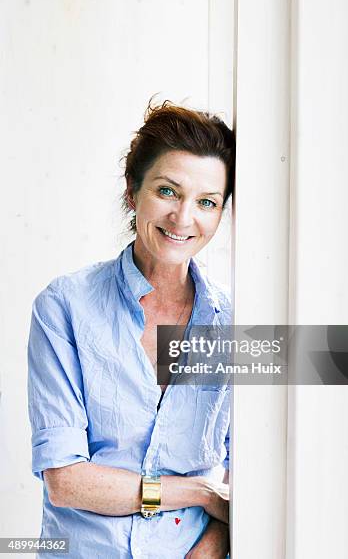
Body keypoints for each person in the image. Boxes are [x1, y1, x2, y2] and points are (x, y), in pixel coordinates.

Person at [27, 98, 235, 559]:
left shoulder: (235, 324)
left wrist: (206, 552)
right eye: (167, 191)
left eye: (206, 202)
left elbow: (247, 484)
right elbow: (66, 481)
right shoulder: (64, 307)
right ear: (132, 191)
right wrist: (199, 492)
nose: (183, 218)